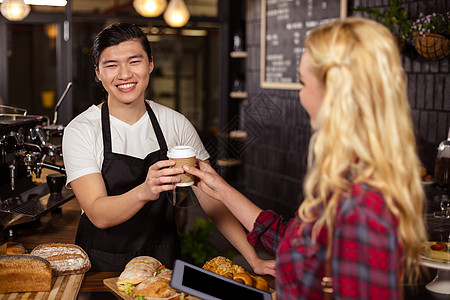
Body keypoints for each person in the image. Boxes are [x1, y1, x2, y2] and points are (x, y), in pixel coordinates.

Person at [184, 17, 427, 299]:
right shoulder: (350, 176)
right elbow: (294, 240)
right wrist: (222, 190)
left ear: (335, 92)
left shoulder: (363, 204)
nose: (299, 95)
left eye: (302, 82)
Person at [62, 22, 275, 274]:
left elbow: (212, 199)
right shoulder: (81, 130)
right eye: (111, 65)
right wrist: (145, 190)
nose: (124, 74)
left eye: (134, 61)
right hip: (102, 266)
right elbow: (98, 213)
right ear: (97, 73)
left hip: (162, 262)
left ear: (150, 64)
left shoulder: (174, 124)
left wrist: (253, 259)